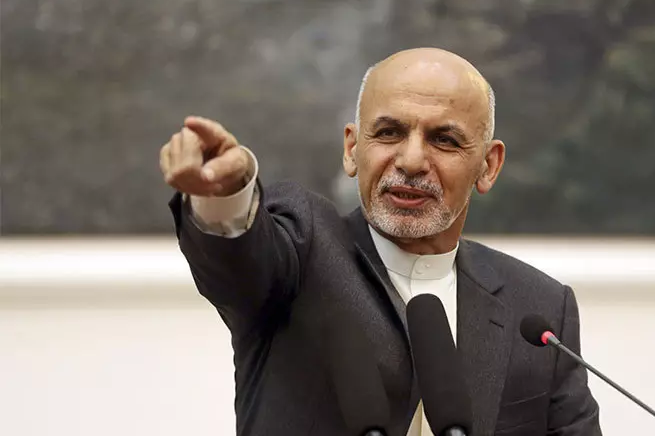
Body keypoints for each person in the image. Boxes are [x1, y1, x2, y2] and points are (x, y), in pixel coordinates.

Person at [161, 47, 601, 436]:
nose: (411, 161)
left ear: (488, 166)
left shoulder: (539, 308)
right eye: (389, 133)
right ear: (352, 149)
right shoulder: (303, 248)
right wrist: (227, 195)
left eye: (444, 140)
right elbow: (242, 260)